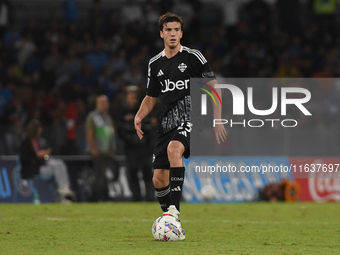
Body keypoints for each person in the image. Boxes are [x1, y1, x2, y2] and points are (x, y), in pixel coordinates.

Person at [134, 13, 227, 240]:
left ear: (181, 33)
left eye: (176, 30)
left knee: (174, 150)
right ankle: (172, 220)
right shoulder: (155, 64)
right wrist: (138, 116)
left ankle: (174, 211)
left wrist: (217, 119)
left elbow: (215, 88)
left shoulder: (194, 57)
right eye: (168, 30)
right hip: (165, 123)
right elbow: (151, 96)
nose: (173, 34)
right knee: (158, 179)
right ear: (161, 34)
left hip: (191, 118)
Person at [19, 119, 74, 203]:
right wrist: (37, 156)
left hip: (40, 166)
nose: (39, 133)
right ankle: (62, 193)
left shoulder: (37, 142)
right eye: (38, 131)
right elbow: (24, 159)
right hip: (32, 170)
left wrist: (45, 155)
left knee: (59, 163)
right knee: (56, 167)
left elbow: (41, 158)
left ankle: (64, 189)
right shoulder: (25, 143)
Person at [118, 86, 156, 202]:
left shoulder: (144, 110)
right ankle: (136, 198)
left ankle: (150, 197)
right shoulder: (122, 112)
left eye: (134, 97)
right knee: (133, 172)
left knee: (147, 172)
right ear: (127, 98)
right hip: (131, 148)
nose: (132, 99)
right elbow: (120, 131)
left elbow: (151, 126)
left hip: (145, 147)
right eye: (130, 97)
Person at [86, 95, 116, 201]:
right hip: (98, 150)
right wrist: (93, 148)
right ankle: (95, 197)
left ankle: (102, 196)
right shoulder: (92, 117)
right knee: (99, 175)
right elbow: (89, 133)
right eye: (102, 103)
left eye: (106, 102)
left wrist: (112, 148)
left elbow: (111, 133)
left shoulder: (108, 117)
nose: (104, 105)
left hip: (106, 151)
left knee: (104, 175)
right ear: (97, 104)